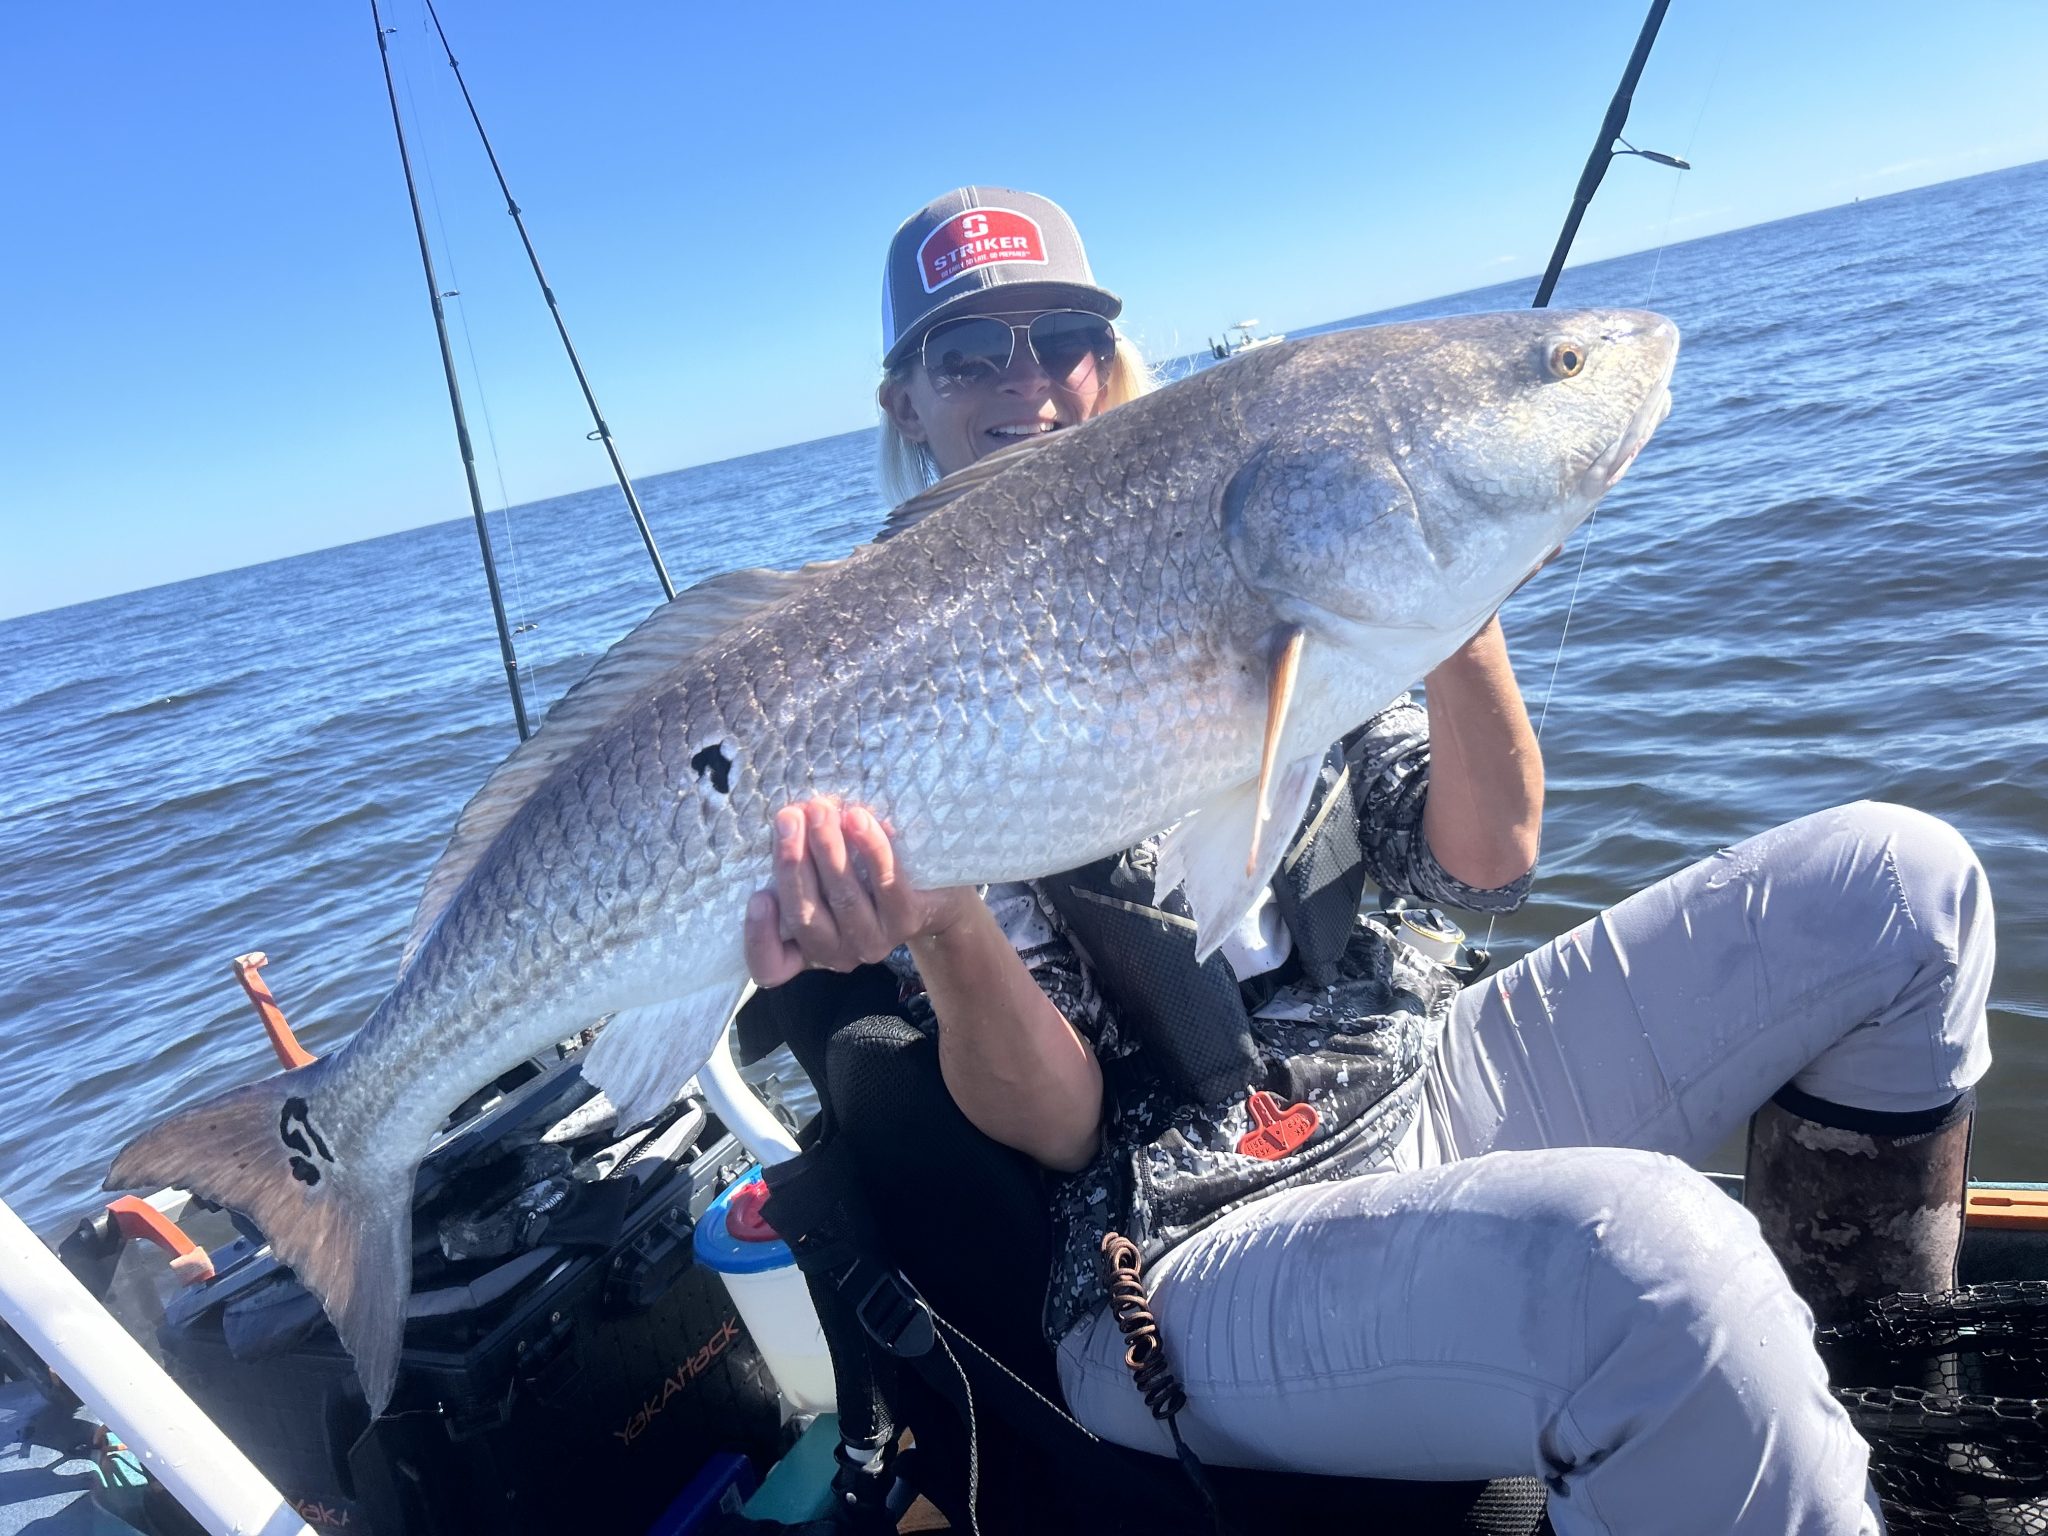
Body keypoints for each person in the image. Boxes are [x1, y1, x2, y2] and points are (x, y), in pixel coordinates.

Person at [743, 187, 1996, 1535]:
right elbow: (1061, 1127)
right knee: (1653, 1265)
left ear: (1114, 355)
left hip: (1407, 1074)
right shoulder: (896, 678)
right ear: (905, 405)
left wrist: (1454, 607)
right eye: (969, 354)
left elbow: (1482, 863)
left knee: (1905, 888)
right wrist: (944, 924)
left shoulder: (1277, 515)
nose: (1027, 380)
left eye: (1060, 333)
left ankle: (1891, 1439)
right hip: (1173, 1245)